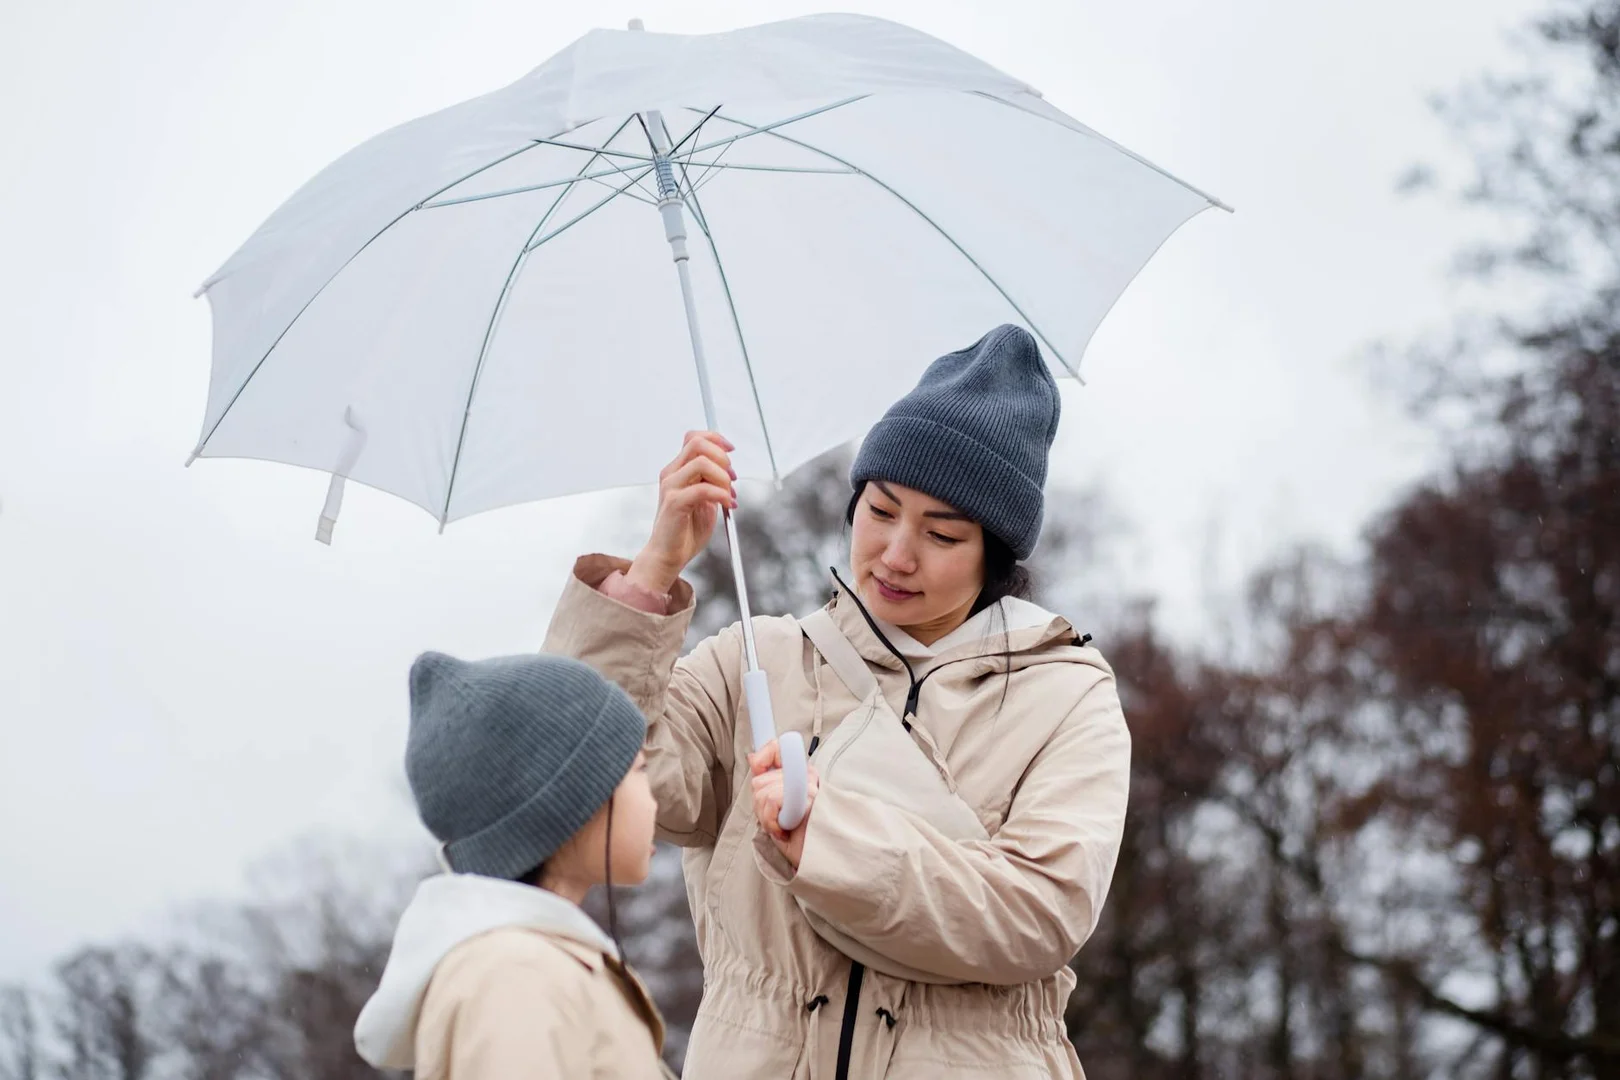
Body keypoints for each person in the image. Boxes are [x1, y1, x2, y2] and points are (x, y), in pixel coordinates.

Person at [545, 324, 1131, 1079]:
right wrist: (652, 572)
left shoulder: (1068, 696)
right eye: (880, 510)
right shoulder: (757, 661)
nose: (896, 554)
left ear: (994, 553)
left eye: (942, 534)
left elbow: (1037, 915)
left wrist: (825, 840)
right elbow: (584, 778)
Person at [353, 651, 674, 1079]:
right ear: (571, 800)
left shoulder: (534, 965)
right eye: (639, 769)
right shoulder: (514, 976)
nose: (653, 799)